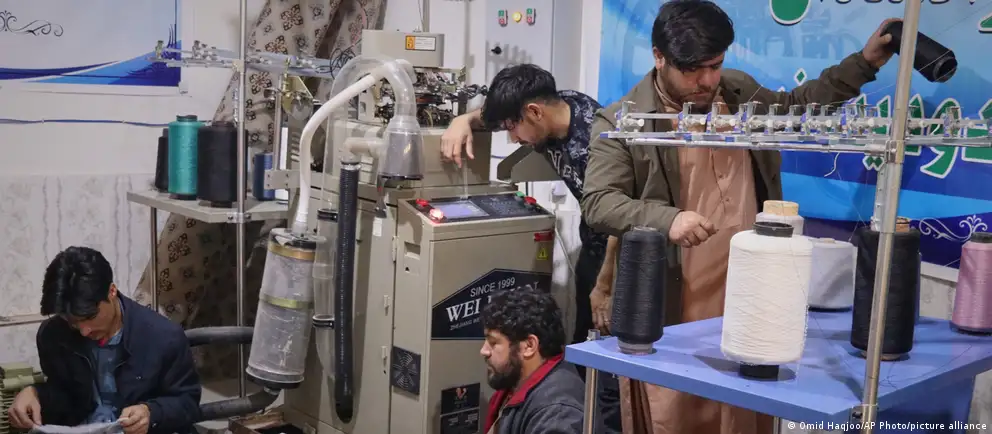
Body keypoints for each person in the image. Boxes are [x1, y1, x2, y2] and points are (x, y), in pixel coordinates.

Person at [580, 1, 897, 433]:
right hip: (678, 298)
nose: (707, 81)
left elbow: (796, 107)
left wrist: (865, 63)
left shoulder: (736, 92)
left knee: (748, 403)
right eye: (693, 70)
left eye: (715, 65)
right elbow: (598, 202)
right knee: (679, 406)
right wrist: (667, 219)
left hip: (751, 291)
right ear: (659, 57)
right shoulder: (623, 120)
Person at [441, 63, 622, 431]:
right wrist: (463, 120)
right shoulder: (552, 107)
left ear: (535, 112)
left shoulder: (596, 140)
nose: (512, 138)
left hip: (618, 258)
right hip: (592, 248)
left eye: (513, 128)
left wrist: (605, 285)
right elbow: (496, 114)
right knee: (582, 350)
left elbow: (622, 212)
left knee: (608, 368)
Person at [7, 246, 201, 434]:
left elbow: (188, 402)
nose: (84, 331)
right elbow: (64, 394)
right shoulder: (54, 335)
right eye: (72, 322)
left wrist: (151, 413)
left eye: (90, 317)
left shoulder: (163, 337)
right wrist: (35, 394)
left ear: (111, 291)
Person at [479, 287, 599, 434]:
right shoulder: (515, 385)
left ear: (529, 346)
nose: (483, 351)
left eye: (493, 342)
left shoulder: (557, 415)